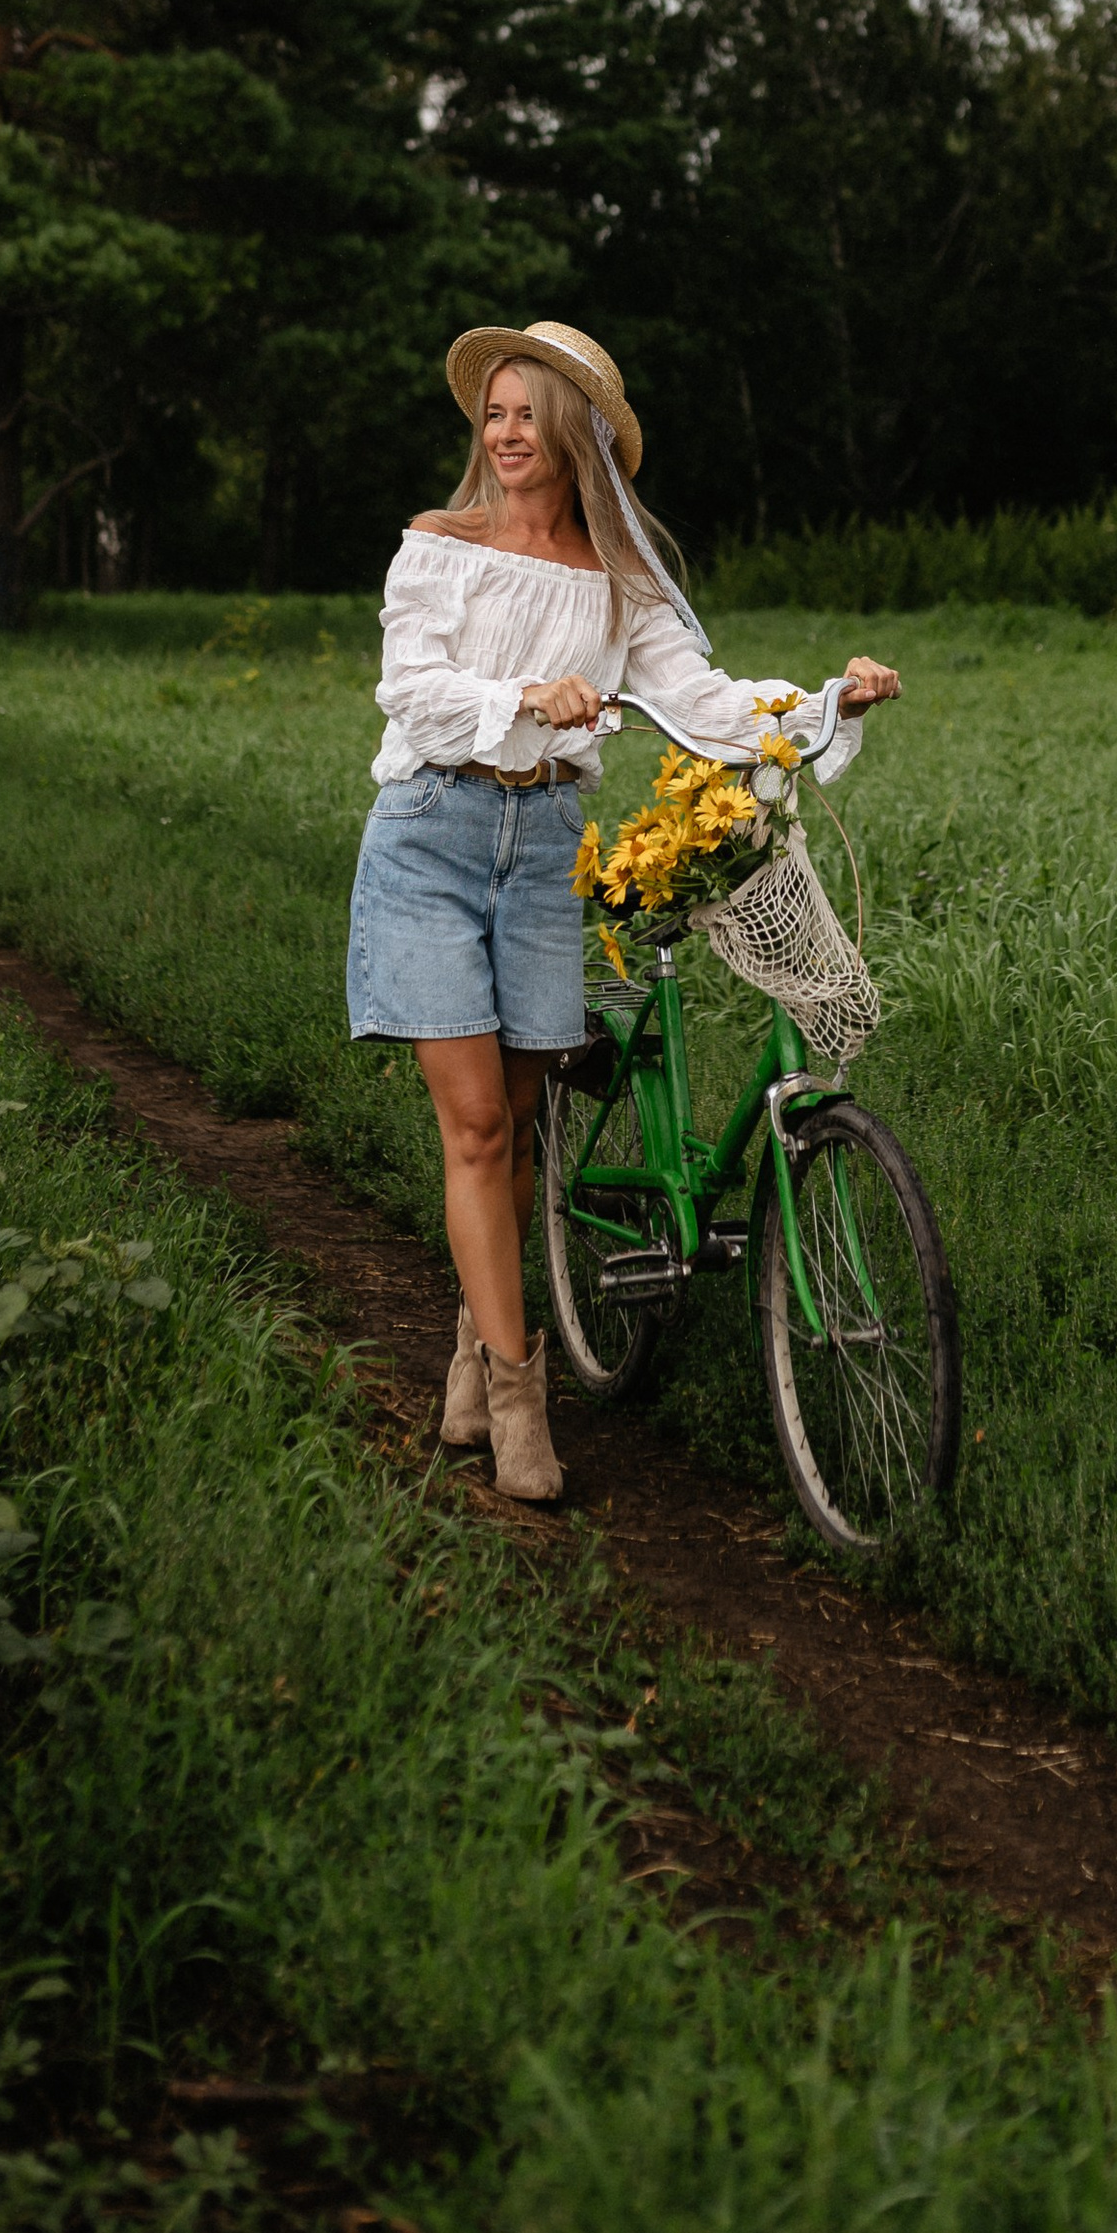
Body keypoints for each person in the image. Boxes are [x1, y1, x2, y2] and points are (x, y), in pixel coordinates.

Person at [345, 319, 901, 1502]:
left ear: (575, 432)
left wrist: (825, 701)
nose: (502, 433)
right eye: (489, 412)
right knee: (479, 1127)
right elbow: (414, 691)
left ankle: (468, 1346)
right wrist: (523, 694)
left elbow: (702, 701)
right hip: (431, 838)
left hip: (546, 848)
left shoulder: (621, 583)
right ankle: (516, 1392)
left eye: (524, 412)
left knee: (523, 1130)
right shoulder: (436, 546)